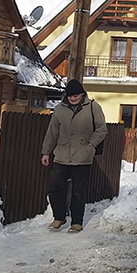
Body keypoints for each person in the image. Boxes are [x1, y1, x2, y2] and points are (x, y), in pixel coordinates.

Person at [41, 79, 107, 233]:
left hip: (83, 156)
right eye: (70, 95)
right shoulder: (59, 109)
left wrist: (91, 144)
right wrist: (46, 152)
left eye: (76, 95)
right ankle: (59, 217)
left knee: (78, 190)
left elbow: (101, 129)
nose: (73, 98)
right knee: (55, 187)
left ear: (82, 94)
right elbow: (52, 132)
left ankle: (77, 222)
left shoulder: (92, 107)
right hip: (62, 154)